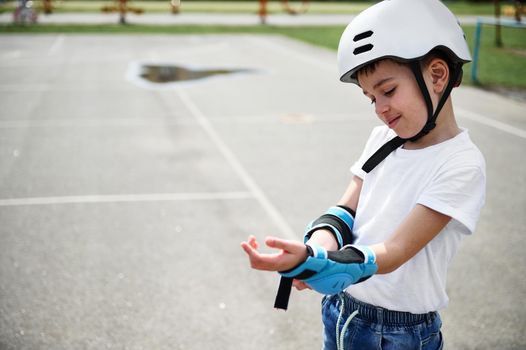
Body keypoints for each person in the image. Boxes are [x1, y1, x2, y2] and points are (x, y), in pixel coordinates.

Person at [241, 0, 486, 349]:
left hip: (400, 333)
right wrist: (313, 252)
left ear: (437, 75)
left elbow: (397, 250)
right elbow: (344, 213)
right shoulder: (383, 139)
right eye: (370, 98)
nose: (380, 109)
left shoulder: (460, 164)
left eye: (388, 91)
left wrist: (328, 266)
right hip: (343, 310)